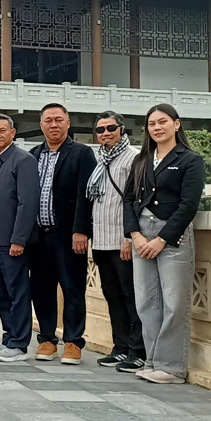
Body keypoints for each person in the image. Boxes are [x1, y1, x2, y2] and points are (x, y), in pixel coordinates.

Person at [123, 103, 205, 384]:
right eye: (152, 124)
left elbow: (188, 205)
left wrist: (161, 239)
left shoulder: (190, 159)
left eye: (163, 122)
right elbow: (128, 200)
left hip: (171, 235)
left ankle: (171, 367)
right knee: (147, 302)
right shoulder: (142, 160)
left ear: (176, 124)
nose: (157, 128)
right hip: (141, 235)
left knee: (174, 302)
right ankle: (152, 360)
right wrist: (135, 235)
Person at [28, 103, 97, 364]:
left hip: (68, 236)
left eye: (58, 119)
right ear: (41, 124)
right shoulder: (32, 155)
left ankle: (73, 342)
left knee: (73, 288)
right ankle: (46, 339)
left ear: (68, 122)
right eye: (48, 120)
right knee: (42, 289)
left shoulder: (81, 154)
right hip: (39, 236)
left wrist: (81, 230)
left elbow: (85, 195)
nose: (53, 125)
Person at [85, 112, 145, 373]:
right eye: (100, 130)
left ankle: (137, 351)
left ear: (121, 129)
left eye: (111, 128)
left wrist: (129, 238)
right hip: (101, 241)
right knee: (113, 298)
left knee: (131, 298)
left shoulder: (133, 157)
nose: (105, 133)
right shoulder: (100, 158)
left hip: (122, 241)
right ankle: (119, 347)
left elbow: (136, 201)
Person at [0, 113, 40, 362]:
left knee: (17, 291)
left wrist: (19, 239)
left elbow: (28, 204)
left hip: (11, 240)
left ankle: (19, 343)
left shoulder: (22, 160)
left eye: (2, 131)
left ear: (13, 133)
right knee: (1, 292)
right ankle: (8, 337)